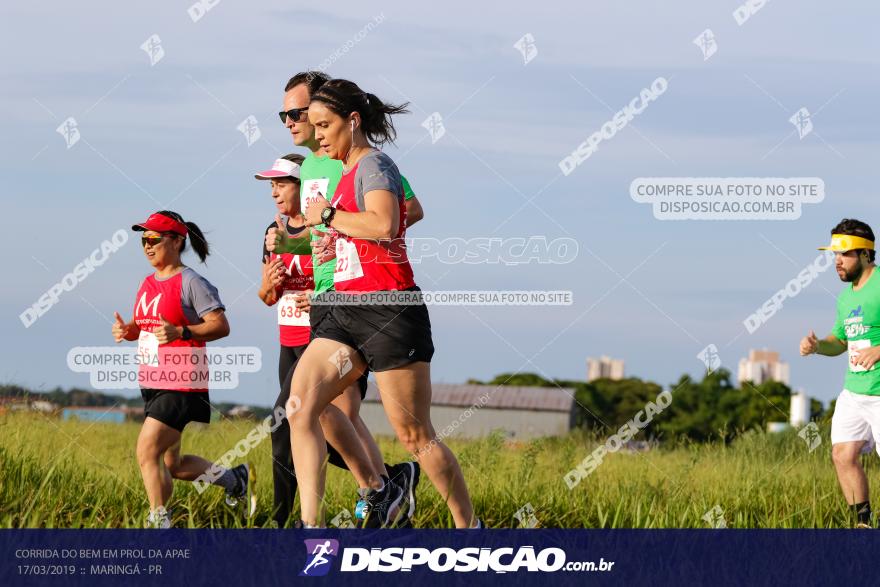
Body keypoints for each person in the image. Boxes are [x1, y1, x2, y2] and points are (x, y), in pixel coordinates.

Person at [271, 78, 478, 528]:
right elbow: (349, 232)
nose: (317, 133)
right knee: (300, 407)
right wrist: (324, 241)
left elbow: (385, 224)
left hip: (388, 309)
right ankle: (313, 530)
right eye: (313, 124)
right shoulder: (338, 174)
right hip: (341, 311)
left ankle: (469, 527)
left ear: (353, 121)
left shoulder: (375, 166)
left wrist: (327, 216)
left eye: (324, 125)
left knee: (415, 436)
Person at [276, 71, 423, 526]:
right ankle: (380, 490)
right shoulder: (312, 166)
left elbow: (405, 212)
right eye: (286, 115)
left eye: (297, 113)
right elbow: (319, 226)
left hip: (363, 300)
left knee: (321, 413)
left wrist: (347, 237)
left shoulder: (359, 160)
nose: (292, 122)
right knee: (304, 412)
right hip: (320, 298)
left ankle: (382, 488)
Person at [256, 155, 414, 528]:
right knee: (318, 421)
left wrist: (323, 297)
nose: (276, 192)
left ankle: (291, 523)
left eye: (283, 184)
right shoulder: (274, 232)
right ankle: (385, 489)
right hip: (292, 338)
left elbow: (347, 259)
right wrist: (271, 283)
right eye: (271, 186)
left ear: (307, 185)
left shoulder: (332, 216)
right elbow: (266, 295)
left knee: (298, 420)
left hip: (334, 328)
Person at [112, 210, 252, 528]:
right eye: (143, 241)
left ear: (176, 241)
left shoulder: (191, 282)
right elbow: (147, 327)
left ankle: (159, 520)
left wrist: (183, 332)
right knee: (171, 464)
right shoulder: (147, 283)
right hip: (152, 381)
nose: (147, 246)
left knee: (147, 450)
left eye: (154, 239)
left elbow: (220, 325)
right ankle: (235, 480)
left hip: (182, 381)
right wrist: (128, 331)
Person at [800, 219, 880, 528]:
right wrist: (818, 345)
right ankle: (863, 526)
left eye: (844, 254)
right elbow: (841, 341)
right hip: (854, 393)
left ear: (864, 255)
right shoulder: (846, 298)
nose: (837, 261)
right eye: (834, 255)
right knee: (842, 454)